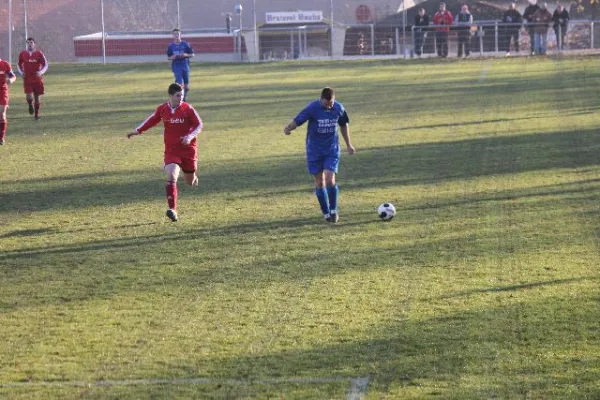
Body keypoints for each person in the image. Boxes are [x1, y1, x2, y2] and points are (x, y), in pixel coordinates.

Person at [127, 83, 203, 222]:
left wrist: (189, 137)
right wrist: (137, 131)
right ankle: (172, 209)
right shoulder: (163, 109)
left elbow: (199, 125)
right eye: (178, 95)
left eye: (182, 95)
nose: (181, 98)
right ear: (170, 96)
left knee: (190, 182)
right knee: (171, 175)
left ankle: (193, 178)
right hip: (171, 150)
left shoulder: (188, 109)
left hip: (188, 150)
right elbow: (151, 120)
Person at [283, 87, 355, 223]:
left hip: (331, 150)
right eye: (327, 104)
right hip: (314, 151)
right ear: (321, 100)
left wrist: (349, 145)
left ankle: (334, 210)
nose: (330, 106)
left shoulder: (338, 108)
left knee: (329, 178)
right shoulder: (312, 108)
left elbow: (344, 125)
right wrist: (288, 128)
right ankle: (325, 211)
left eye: (332, 102)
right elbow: (298, 120)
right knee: (319, 182)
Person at [17, 37, 48, 120]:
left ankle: (37, 115)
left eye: (31, 42)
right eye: (28, 43)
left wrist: (41, 72)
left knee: (37, 97)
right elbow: (19, 64)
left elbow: (45, 64)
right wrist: (21, 72)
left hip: (37, 78)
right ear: (26, 44)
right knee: (29, 97)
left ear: (34, 44)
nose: (29, 44)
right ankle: (30, 104)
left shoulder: (39, 53)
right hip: (27, 78)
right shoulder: (23, 53)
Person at [167, 28, 194, 102]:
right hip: (176, 66)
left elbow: (192, 54)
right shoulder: (170, 46)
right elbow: (169, 57)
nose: (176, 35)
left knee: (186, 86)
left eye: (177, 34)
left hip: (185, 66)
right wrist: (172, 57)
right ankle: (181, 100)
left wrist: (186, 54)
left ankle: (184, 97)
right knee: (179, 83)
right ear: (172, 35)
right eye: (175, 34)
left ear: (180, 35)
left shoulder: (186, 44)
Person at [0, 58, 16, 145]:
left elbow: (13, 76)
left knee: (2, 114)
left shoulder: (5, 64)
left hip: (2, 91)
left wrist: (11, 80)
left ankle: (1, 137)